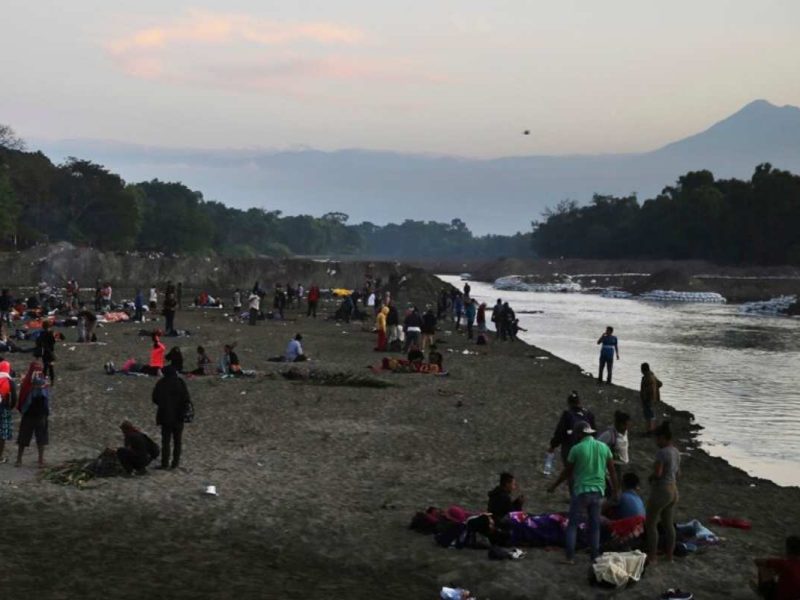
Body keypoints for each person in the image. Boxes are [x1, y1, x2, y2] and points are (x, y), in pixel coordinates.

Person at [548, 420, 618, 563]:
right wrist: (616, 491)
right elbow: (612, 472)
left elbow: (567, 472)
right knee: (594, 526)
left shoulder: (576, 449)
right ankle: (594, 557)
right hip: (598, 492)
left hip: (581, 491)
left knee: (572, 525)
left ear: (579, 434)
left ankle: (570, 557)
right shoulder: (604, 447)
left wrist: (554, 486)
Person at [645, 422, 680, 564]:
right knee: (668, 524)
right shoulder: (676, 451)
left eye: (657, 439)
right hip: (674, 489)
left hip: (662, 490)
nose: (656, 442)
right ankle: (669, 556)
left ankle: (652, 557)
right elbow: (679, 473)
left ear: (664, 438)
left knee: (651, 524)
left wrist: (651, 477)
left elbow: (658, 473)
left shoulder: (662, 452)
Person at [152, 366, 191, 470]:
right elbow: (186, 398)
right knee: (177, 441)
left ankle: (165, 463)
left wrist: (163, 403)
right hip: (179, 416)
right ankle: (175, 463)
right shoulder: (180, 382)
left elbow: (154, 398)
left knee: (166, 441)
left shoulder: (161, 383)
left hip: (165, 416)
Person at [15, 360, 51, 468]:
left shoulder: (27, 382)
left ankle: (19, 460)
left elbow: (22, 399)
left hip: (29, 415)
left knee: (24, 437)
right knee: (41, 438)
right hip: (40, 415)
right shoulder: (43, 383)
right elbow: (47, 399)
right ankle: (40, 460)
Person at [548, 391, 596, 469]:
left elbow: (560, 432)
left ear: (568, 403)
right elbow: (594, 432)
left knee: (570, 471)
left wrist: (553, 446)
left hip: (570, 448)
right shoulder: (588, 414)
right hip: (587, 448)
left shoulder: (567, 414)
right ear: (579, 402)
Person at [754, 535, 800, 600]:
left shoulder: (783, 562)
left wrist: (773, 572)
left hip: (778, 597)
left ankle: (761, 590)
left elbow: (757, 561)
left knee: (763, 566)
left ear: (787, 549)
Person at [598, 410, 632, 487]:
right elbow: (596, 446)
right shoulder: (609, 434)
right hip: (612, 466)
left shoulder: (624, 431)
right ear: (620, 424)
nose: (628, 427)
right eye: (626, 425)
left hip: (621, 465)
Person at [0, 358, 18, 464]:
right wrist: (10, 407)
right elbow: (14, 398)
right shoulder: (9, 381)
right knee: (2, 434)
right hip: (4, 409)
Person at [640, 363, 662, 434]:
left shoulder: (648, 377)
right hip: (652, 398)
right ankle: (651, 429)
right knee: (650, 414)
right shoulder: (652, 375)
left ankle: (650, 430)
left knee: (648, 414)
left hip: (648, 398)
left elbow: (649, 390)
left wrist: (645, 396)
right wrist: (656, 390)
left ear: (643, 370)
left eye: (641, 369)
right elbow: (660, 384)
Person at [35, 321, 56, 385]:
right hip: (50, 351)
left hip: (44, 351)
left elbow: (38, 342)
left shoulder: (41, 333)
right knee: (51, 367)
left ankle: (43, 380)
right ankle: (52, 381)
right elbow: (53, 342)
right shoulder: (50, 333)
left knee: (45, 366)